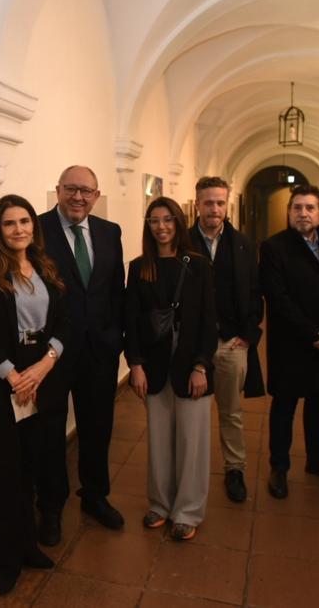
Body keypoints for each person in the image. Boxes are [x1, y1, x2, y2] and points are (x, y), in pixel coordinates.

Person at [0, 194, 68, 595]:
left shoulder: (45, 265)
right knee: (10, 472)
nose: (19, 229)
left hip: (42, 372)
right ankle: (5, 560)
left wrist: (46, 363)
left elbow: (65, 320)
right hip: (2, 378)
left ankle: (27, 547)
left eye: (25, 221)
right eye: (10, 223)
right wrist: (12, 375)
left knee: (33, 466)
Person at [37, 166, 126, 541]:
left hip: (100, 351)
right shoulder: (37, 230)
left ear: (96, 195)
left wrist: (116, 338)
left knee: (97, 427)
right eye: (71, 189)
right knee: (51, 431)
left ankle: (95, 496)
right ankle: (52, 507)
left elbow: (115, 289)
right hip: (53, 353)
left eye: (86, 191)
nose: (78, 197)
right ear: (57, 190)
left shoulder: (109, 232)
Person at [125, 197, 217, 541]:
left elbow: (210, 322)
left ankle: (188, 511)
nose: (161, 227)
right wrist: (135, 364)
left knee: (192, 443)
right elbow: (130, 321)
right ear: (147, 226)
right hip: (154, 366)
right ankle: (161, 504)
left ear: (178, 222)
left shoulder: (199, 265)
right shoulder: (139, 267)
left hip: (191, 367)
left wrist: (201, 366)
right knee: (159, 441)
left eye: (168, 220)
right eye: (154, 221)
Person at [260, 184, 319, 498]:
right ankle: (279, 466)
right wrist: (315, 335)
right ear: (289, 213)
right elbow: (278, 299)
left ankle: (318, 460)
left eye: (310, 207)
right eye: (297, 208)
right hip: (292, 343)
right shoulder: (274, 247)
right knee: (284, 406)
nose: (303, 213)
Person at [188, 177, 263, 503]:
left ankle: (235, 469)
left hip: (232, 343)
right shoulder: (183, 241)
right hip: (193, 346)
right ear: (198, 204)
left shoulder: (243, 244)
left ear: (226, 204)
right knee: (193, 413)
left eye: (220, 202)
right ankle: (191, 472)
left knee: (231, 412)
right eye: (208, 202)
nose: (214, 208)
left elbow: (253, 291)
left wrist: (248, 336)